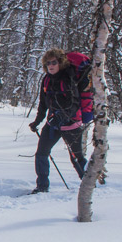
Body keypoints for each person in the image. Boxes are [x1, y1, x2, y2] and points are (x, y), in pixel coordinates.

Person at [28, 48, 93, 194]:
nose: (51, 65)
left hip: (71, 124)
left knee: (76, 157)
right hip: (52, 124)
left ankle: (88, 184)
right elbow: (43, 104)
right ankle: (42, 186)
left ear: (60, 63)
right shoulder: (46, 80)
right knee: (41, 154)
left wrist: (62, 117)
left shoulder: (68, 78)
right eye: (48, 63)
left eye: (54, 62)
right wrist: (37, 121)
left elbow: (74, 103)